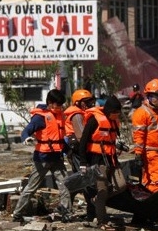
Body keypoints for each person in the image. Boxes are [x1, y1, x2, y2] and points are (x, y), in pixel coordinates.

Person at [12, 89, 72, 223]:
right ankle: (17, 214)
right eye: (57, 104)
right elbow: (28, 130)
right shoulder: (41, 117)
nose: (60, 107)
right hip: (42, 158)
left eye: (61, 105)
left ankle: (66, 212)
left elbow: (60, 138)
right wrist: (26, 138)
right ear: (50, 103)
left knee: (65, 185)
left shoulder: (59, 116)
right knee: (31, 187)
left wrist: (68, 150)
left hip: (57, 157)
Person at [78, 95, 122, 230]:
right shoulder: (94, 121)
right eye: (115, 113)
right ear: (109, 111)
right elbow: (83, 143)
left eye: (118, 113)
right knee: (102, 189)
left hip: (112, 159)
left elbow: (113, 140)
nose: (116, 116)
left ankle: (97, 200)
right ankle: (101, 221)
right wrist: (83, 162)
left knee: (121, 186)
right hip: (97, 161)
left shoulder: (114, 122)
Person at [131, 78, 158, 194]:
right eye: (157, 96)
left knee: (149, 180)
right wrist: (138, 154)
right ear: (149, 96)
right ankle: (154, 202)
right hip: (149, 153)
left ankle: (147, 202)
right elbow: (139, 136)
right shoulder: (141, 113)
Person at [64, 89, 96, 221]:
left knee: (80, 179)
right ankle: (91, 213)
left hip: (78, 151)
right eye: (86, 102)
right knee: (87, 180)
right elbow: (82, 137)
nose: (89, 104)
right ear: (78, 103)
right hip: (78, 152)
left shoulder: (83, 114)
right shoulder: (77, 115)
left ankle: (67, 205)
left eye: (90, 101)